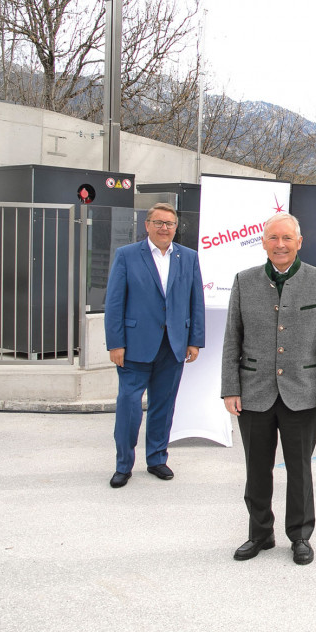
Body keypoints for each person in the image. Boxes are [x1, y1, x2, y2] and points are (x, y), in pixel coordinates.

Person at [221, 212, 316, 565]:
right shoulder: (244, 282)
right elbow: (232, 339)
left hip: (303, 392)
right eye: (273, 238)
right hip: (254, 391)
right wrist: (231, 388)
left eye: (287, 238)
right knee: (256, 468)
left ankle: (300, 536)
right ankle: (259, 534)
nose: (280, 244)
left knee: (299, 469)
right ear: (263, 242)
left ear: (299, 242)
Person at [104, 202, 205, 488]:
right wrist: (115, 343)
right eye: (158, 223)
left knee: (164, 405)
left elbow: (195, 301)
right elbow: (114, 302)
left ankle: (157, 459)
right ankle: (124, 464)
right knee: (129, 405)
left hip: (173, 345)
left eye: (170, 224)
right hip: (134, 346)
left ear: (176, 227)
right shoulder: (126, 256)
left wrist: (195, 341)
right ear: (147, 225)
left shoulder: (188, 257)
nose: (164, 228)